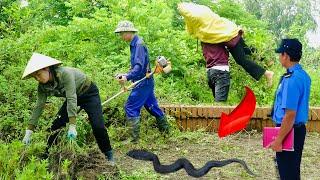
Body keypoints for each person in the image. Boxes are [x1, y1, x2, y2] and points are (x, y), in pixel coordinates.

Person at [21, 53, 115, 165]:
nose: (38, 79)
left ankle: (108, 154)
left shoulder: (65, 74)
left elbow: (71, 98)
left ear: (46, 68)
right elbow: (39, 105)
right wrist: (29, 130)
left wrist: (72, 125)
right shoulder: (42, 86)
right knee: (54, 127)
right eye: (35, 77)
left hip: (89, 93)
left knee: (98, 126)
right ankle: (45, 156)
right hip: (74, 97)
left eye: (38, 74)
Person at [178, 2, 274, 86]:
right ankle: (267, 59)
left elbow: (193, 31)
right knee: (247, 50)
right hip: (231, 28)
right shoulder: (202, 9)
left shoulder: (194, 17)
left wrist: (196, 33)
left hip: (228, 36)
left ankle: (266, 73)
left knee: (241, 60)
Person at [114, 20, 169, 143]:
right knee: (152, 107)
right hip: (146, 81)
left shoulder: (138, 44)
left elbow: (139, 67)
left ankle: (133, 140)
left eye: (122, 34)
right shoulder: (135, 43)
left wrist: (127, 77)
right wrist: (126, 74)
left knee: (131, 107)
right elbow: (138, 66)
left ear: (128, 32)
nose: (121, 36)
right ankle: (167, 134)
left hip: (142, 82)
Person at [269, 39, 311, 179]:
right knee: (293, 170)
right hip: (297, 130)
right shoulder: (304, 75)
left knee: (286, 173)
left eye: (280, 53)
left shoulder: (291, 79)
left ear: (285, 55)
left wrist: (278, 140)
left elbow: (290, 114)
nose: (279, 57)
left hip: (289, 131)